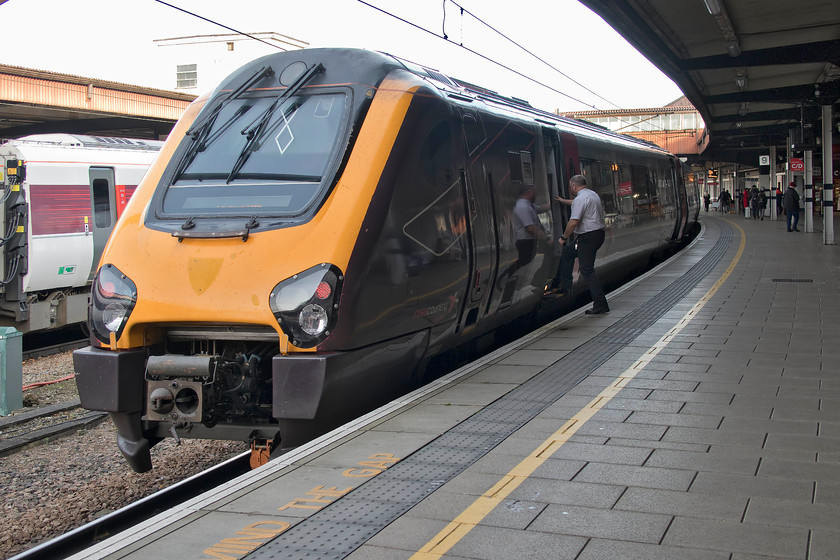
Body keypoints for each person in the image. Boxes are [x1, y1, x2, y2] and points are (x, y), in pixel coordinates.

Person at [557, 175, 609, 314]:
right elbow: (576, 203)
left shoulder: (580, 199)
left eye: (570, 186)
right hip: (597, 235)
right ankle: (565, 285)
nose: (570, 188)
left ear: (574, 186)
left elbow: (574, 222)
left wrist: (563, 237)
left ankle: (601, 304)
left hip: (588, 237)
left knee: (587, 270)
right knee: (568, 253)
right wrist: (563, 201)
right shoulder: (592, 195)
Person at [512, 184, 550, 271]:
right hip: (525, 240)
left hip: (529, 239)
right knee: (524, 261)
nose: (535, 195)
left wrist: (554, 202)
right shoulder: (522, 207)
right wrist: (547, 238)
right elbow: (530, 228)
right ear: (528, 193)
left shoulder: (528, 205)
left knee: (525, 260)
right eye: (534, 192)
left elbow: (540, 209)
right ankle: (505, 276)